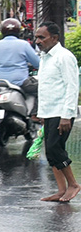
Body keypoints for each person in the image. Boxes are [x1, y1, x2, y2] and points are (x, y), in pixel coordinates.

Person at [31, 22, 80, 202]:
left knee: (55, 148)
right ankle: (61, 190)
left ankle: (73, 185)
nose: (38, 41)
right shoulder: (45, 57)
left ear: (55, 38)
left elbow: (72, 87)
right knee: (50, 152)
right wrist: (42, 113)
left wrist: (67, 115)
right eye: (36, 37)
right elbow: (46, 87)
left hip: (62, 113)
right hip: (50, 112)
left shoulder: (64, 57)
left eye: (42, 37)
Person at [0, 17, 40, 111]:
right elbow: (37, 63)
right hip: (20, 82)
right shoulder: (24, 44)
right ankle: (34, 114)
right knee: (41, 89)